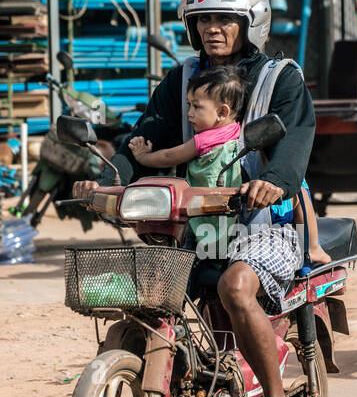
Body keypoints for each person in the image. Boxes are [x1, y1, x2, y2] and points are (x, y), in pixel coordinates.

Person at [72, 0, 316, 397]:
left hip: (265, 226)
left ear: (251, 21)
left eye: (225, 18)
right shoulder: (182, 77)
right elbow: (148, 137)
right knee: (143, 293)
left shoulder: (281, 78)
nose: (212, 28)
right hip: (196, 227)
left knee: (235, 287)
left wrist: (274, 182)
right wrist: (110, 178)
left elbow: (293, 141)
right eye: (203, 19)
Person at [129, 65, 330, 265]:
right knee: (301, 189)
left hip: (216, 208)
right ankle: (312, 247)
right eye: (189, 105)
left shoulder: (203, 140)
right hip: (231, 209)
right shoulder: (239, 131)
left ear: (222, 112)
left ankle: (311, 248)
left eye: (196, 107)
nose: (189, 113)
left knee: (298, 186)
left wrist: (143, 157)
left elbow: (169, 157)